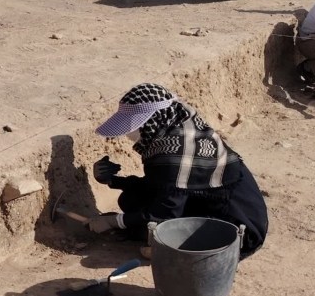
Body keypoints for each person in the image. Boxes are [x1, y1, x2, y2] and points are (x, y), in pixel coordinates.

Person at [89, 83, 268, 260]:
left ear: (152, 120)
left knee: (153, 228)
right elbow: (164, 185)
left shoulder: (175, 151)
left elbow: (164, 212)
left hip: (238, 230)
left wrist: (114, 221)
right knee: (131, 199)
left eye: (133, 126)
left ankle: (169, 251)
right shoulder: (178, 126)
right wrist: (113, 181)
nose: (128, 134)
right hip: (208, 204)